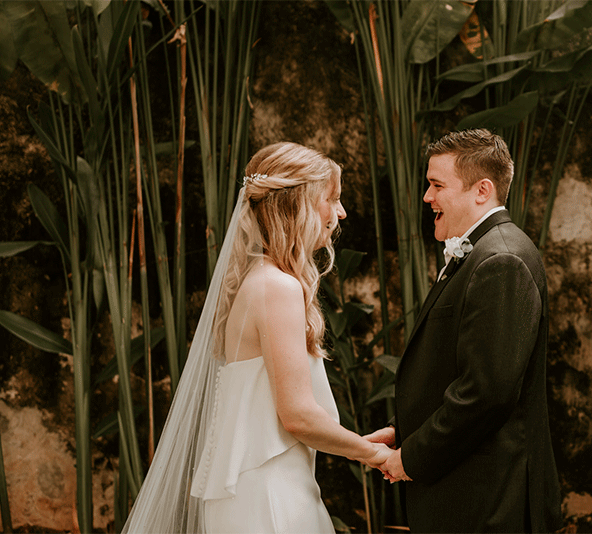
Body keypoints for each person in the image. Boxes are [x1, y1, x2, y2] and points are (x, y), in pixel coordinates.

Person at [122, 142, 392, 533]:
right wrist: (377, 456)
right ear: (297, 204)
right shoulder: (277, 288)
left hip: (258, 485)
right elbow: (296, 416)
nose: (341, 212)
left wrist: (356, 442)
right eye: (331, 199)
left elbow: (273, 414)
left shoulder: (258, 281)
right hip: (269, 494)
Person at [366, 129, 562, 533]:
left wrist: (411, 457)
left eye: (437, 185)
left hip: (488, 503)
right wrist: (403, 431)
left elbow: (485, 393)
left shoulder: (501, 259)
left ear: (482, 190)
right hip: (471, 496)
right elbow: (454, 370)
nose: (427, 197)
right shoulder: (483, 250)